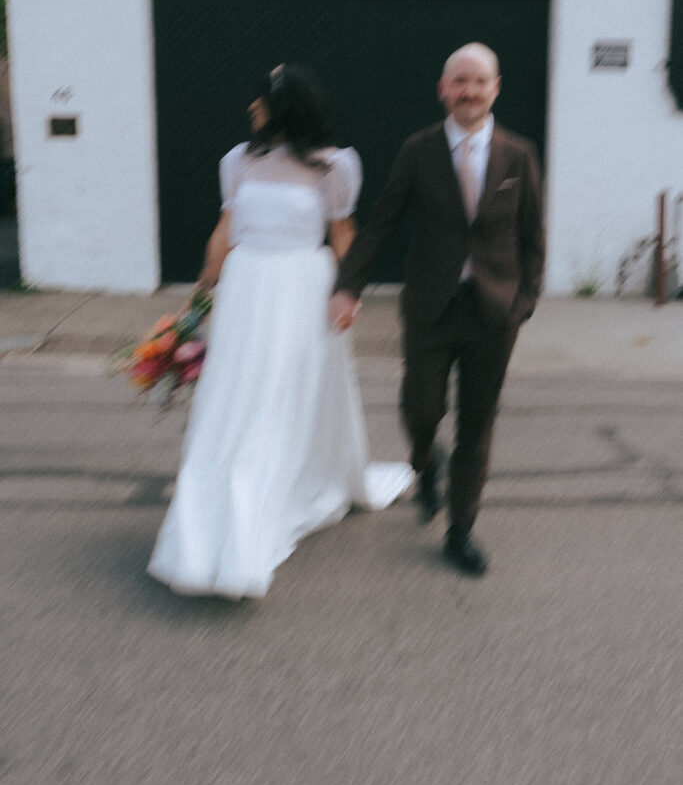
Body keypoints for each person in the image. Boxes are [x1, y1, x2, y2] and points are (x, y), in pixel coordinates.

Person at [148, 64, 412, 599]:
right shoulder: (238, 162)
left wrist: (349, 291)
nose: (251, 108)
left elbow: (344, 233)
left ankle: (267, 501)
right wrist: (200, 296)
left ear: (284, 106)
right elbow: (225, 230)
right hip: (246, 291)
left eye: (260, 100)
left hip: (302, 292)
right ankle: (215, 517)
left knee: (282, 399)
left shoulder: (334, 166)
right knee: (230, 401)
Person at [331, 43, 545, 575]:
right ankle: (426, 463)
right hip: (430, 306)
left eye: (479, 81)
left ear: (495, 88)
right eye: (460, 81)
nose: (469, 91)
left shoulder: (518, 154)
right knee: (421, 410)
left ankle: (461, 529)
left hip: (494, 311)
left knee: (478, 422)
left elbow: (532, 235)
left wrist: (525, 300)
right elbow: (382, 220)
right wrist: (347, 283)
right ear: (443, 90)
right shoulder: (418, 149)